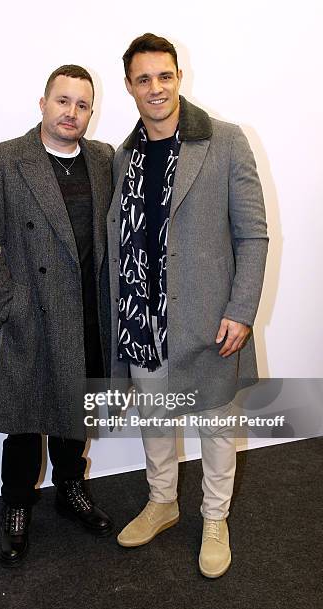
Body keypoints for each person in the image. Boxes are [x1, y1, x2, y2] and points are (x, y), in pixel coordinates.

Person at [107, 34, 268, 578]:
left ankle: (215, 518)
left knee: (216, 424)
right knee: (156, 417)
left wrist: (242, 308)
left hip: (210, 318)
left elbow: (253, 235)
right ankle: (162, 501)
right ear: (130, 87)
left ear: (180, 77)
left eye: (165, 76)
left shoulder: (224, 141)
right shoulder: (123, 155)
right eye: (144, 79)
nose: (156, 88)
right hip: (142, 316)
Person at [0, 65, 114, 567]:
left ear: (91, 112)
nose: (72, 113)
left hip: (88, 310)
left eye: (82, 105)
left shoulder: (102, 158)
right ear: (43, 103)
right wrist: (11, 304)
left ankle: (71, 488)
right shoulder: (5, 159)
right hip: (34, 310)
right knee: (25, 419)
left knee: (78, 410)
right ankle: (16, 506)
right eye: (63, 101)